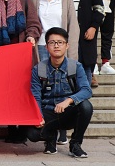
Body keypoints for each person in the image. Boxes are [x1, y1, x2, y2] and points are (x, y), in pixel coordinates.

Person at [28, 27, 93, 158]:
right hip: (48, 113)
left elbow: (86, 90)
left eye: (60, 42)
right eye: (52, 42)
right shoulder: (38, 69)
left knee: (86, 106)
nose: (56, 46)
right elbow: (36, 95)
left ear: (67, 45)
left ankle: (75, 144)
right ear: (46, 47)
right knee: (32, 134)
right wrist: (38, 116)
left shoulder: (75, 67)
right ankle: (50, 138)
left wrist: (68, 101)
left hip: (68, 113)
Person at [34, 0, 80, 147]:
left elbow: (73, 26)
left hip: (61, 48)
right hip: (41, 47)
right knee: (45, 89)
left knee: (61, 87)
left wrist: (72, 53)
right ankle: (49, 131)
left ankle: (62, 129)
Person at [0, 0, 42, 144]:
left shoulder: (25, 1)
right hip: (4, 55)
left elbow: (34, 24)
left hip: (22, 55)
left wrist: (31, 35)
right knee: (7, 93)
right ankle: (10, 129)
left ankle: (22, 130)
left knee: (22, 91)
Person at [62, 0, 105, 85]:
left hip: (86, 32)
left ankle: (86, 90)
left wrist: (93, 27)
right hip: (66, 33)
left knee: (86, 63)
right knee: (68, 64)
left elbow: (99, 9)